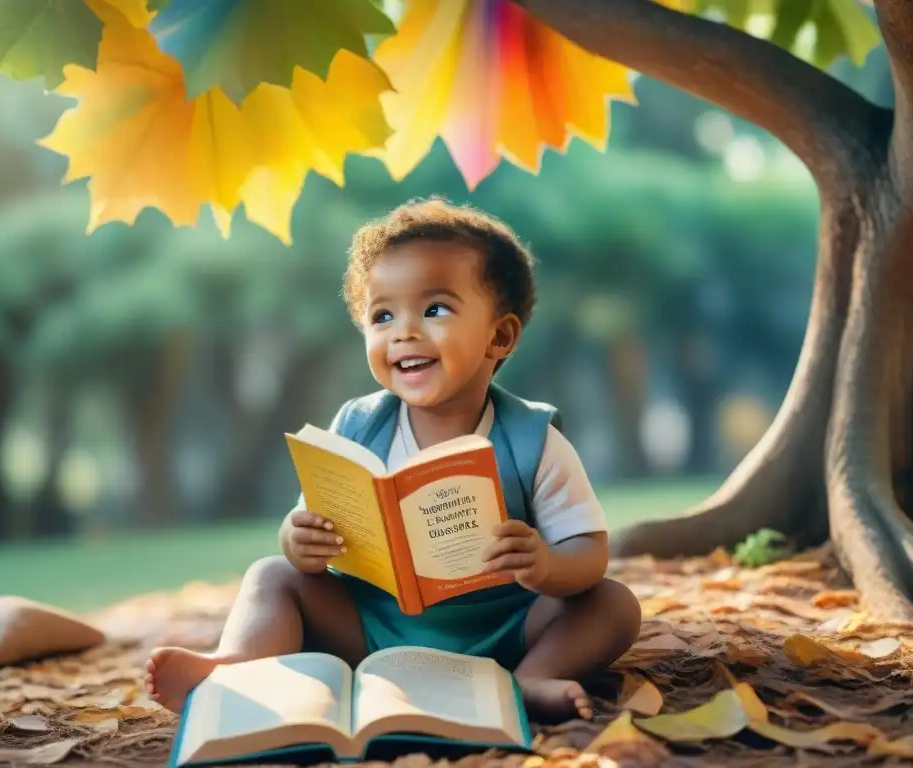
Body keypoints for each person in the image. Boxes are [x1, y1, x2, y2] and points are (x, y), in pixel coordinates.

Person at [145, 197, 642, 722]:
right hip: (374, 629)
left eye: (435, 309)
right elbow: (311, 524)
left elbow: (589, 552)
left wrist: (546, 566)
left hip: (506, 630)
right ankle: (234, 667)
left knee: (612, 605)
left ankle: (528, 682)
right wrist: (299, 541)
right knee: (271, 576)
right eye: (383, 315)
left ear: (500, 336)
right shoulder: (357, 427)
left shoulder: (534, 438)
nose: (404, 331)